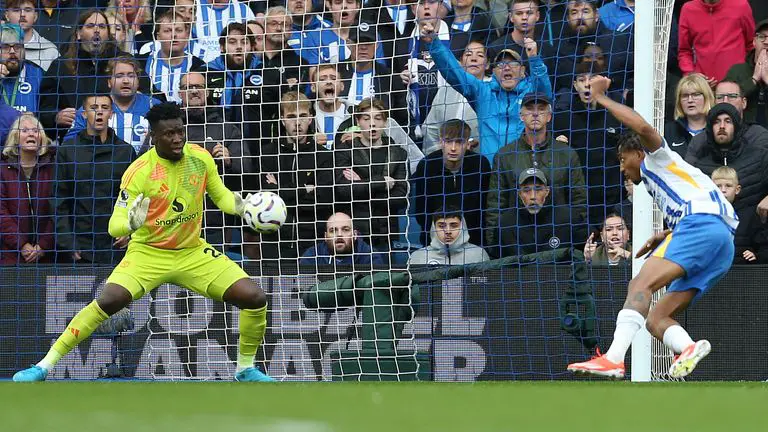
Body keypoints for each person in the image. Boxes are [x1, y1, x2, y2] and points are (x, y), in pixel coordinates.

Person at [13, 102, 275, 382]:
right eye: (169, 134)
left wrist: (244, 206)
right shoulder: (139, 171)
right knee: (108, 300)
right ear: (153, 136)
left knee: (255, 297)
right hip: (148, 253)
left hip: (191, 251)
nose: (177, 139)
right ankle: (43, 366)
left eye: (180, 132)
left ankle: (245, 369)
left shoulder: (200, 158)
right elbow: (115, 226)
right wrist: (132, 223)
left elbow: (221, 196)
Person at [567, 75, 739, 379]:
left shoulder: (657, 158)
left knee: (639, 285)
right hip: (721, 241)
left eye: (622, 159)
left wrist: (602, 98)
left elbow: (643, 128)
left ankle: (614, 358)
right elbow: (703, 204)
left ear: (637, 153)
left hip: (701, 227)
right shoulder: (665, 180)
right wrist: (666, 234)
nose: (622, 167)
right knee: (657, 318)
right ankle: (688, 347)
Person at [423, 18, 552, 162]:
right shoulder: (483, 93)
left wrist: (533, 58)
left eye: (513, 63)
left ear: (523, 71)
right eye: (501, 64)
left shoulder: (530, 93)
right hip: (491, 173)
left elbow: (544, 92)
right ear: (494, 71)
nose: (507, 67)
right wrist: (434, 43)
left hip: (524, 171)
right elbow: (455, 73)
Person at [486, 93, 586, 252]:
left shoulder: (567, 154)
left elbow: (579, 201)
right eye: (530, 109)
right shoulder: (505, 155)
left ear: (549, 116)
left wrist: (579, 242)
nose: (535, 113)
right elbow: (496, 204)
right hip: (517, 242)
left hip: (558, 240)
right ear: (521, 116)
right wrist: (493, 247)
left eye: (541, 109)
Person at [55, 93, 135, 265]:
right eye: (93, 108)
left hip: (116, 244)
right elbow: (58, 199)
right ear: (84, 114)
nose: (99, 112)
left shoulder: (125, 152)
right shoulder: (67, 151)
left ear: (111, 113)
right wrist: (67, 241)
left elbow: (136, 197)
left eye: (104, 108)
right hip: (80, 246)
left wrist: (130, 231)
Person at [411, 119, 490, 248]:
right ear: (441, 141)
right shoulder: (426, 166)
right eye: (448, 141)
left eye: (459, 142)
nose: (453, 148)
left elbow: (486, 209)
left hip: (474, 242)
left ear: (467, 143)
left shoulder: (481, 164)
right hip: (434, 242)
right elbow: (421, 212)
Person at [0, 113, 55, 265]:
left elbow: (59, 209)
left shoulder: (54, 166)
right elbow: (1, 213)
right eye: (24, 130)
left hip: (49, 256)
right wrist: (22, 244)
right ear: (15, 137)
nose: (31, 133)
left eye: (35, 130)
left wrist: (43, 245)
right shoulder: (3, 168)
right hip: (11, 256)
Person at [499, 167, 587, 257]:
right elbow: (495, 261)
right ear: (519, 193)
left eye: (538, 189)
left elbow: (587, 251)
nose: (533, 196)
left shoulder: (569, 218)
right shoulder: (506, 223)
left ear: (547, 191)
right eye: (526, 190)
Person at [678, 0, 755, 86]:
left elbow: (752, 44)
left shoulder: (741, 5)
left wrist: (746, 75)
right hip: (704, 88)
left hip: (738, 85)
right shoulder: (688, 9)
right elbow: (684, 51)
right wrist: (692, 76)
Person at [710, 166, 768, 264]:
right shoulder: (703, 214)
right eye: (718, 186)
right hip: (712, 272)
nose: (723, 190)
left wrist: (757, 255)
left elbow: (763, 245)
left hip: (742, 272)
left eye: (728, 185)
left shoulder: (750, 215)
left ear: (737, 189)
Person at [724, 18, 768, 127]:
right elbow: (724, 103)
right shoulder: (737, 71)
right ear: (754, 42)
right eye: (762, 37)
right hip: (742, 135)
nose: (767, 42)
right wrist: (753, 80)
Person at [408, 207, 489, 265]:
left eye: (454, 226)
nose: (448, 231)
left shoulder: (478, 255)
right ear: (433, 228)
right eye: (442, 226)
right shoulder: (418, 257)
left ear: (463, 227)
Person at [299, 212, 384, 267]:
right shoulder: (311, 256)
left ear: (355, 235)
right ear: (325, 236)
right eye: (333, 230)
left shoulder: (370, 256)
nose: (339, 235)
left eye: (345, 230)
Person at [663, 73, 716, 156]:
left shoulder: (717, 129)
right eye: (685, 96)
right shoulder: (668, 131)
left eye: (696, 94)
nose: (690, 100)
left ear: (707, 97)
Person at [3, 0, 59, 72]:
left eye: (28, 10)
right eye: (16, 10)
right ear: (7, 16)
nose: (22, 14)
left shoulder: (51, 53)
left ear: (35, 16)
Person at [0, 23, 44, 113]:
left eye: (17, 46)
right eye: (5, 47)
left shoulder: (38, 74)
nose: (12, 51)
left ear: (24, 49)